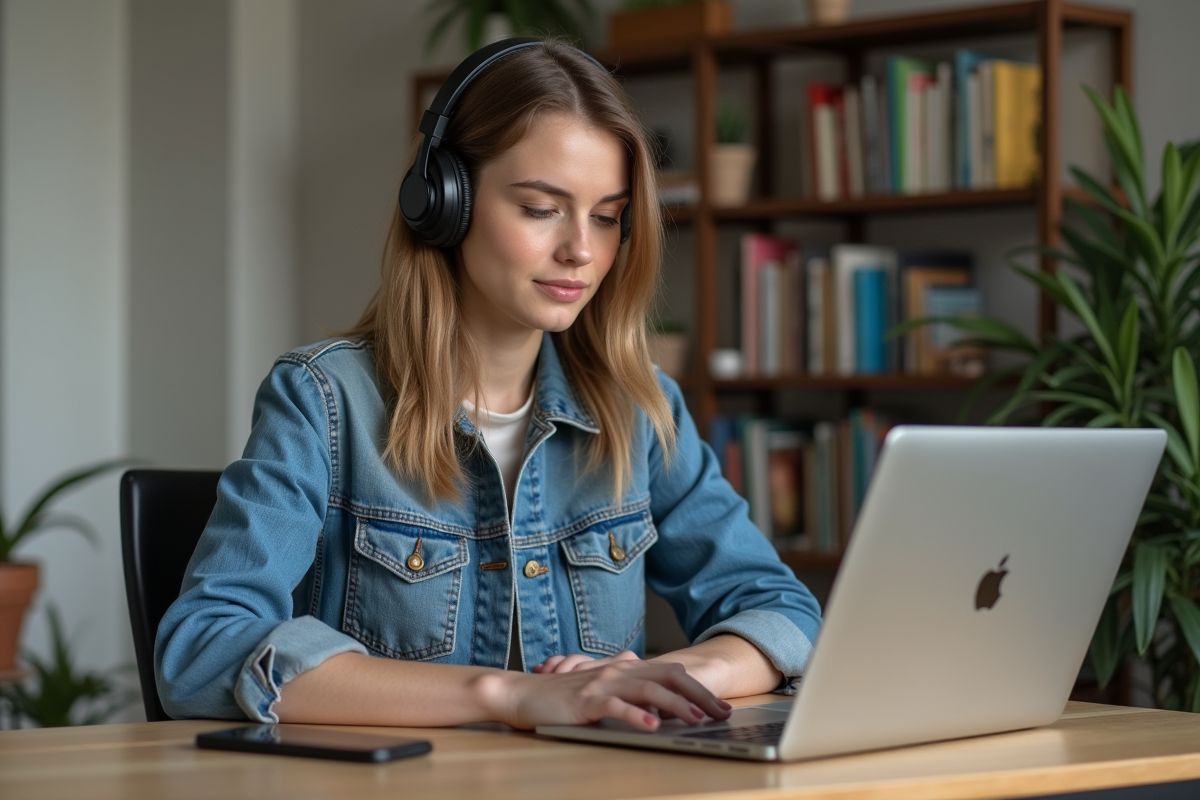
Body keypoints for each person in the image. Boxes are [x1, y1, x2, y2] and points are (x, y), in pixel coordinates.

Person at [155, 38, 822, 733]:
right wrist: (506, 695)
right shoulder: (324, 401)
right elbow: (202, 650)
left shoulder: (639, 406)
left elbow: (782, 611)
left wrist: (677, 676)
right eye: (541, 208)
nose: (582, 252)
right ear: (444, 202)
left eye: (606, 216)